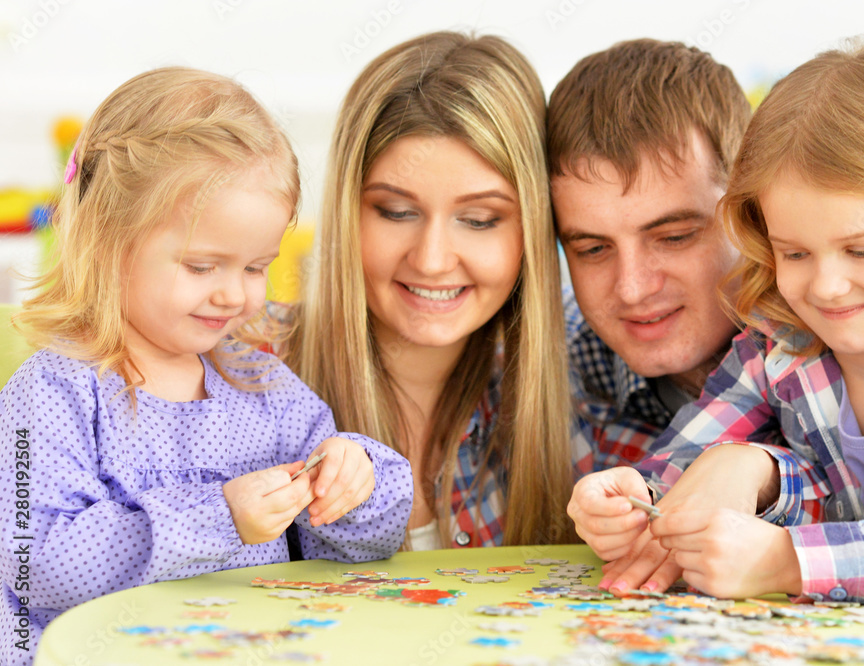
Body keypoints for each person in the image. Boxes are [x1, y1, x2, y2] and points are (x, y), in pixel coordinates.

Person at [0, 67, 412, 663]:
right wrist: (219, 516)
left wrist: (355, 482)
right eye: (202, 266)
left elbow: (355, 551)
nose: (235, 296)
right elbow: (34, 563)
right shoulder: (51, 391)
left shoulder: (263, 386)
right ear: (108, 242)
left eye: (254, 266)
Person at [574, 42, 864, 607]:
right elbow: (689, 462)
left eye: (861, 250)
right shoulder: (776, 348)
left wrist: (786, 561)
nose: (825, 286)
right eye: (795, 254)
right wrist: (632, 498)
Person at [285, 32, 576, 549]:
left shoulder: (588, 383)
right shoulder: (228, 371)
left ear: (533, 227)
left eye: (481, 219)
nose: (432, 259)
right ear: (346, 211)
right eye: (396, 212)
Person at [549, 40, 751, 585]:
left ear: (752, 211)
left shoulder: (844, 356)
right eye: (592, 249)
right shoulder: (558, 370)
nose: (634, 288)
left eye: (674, 235)